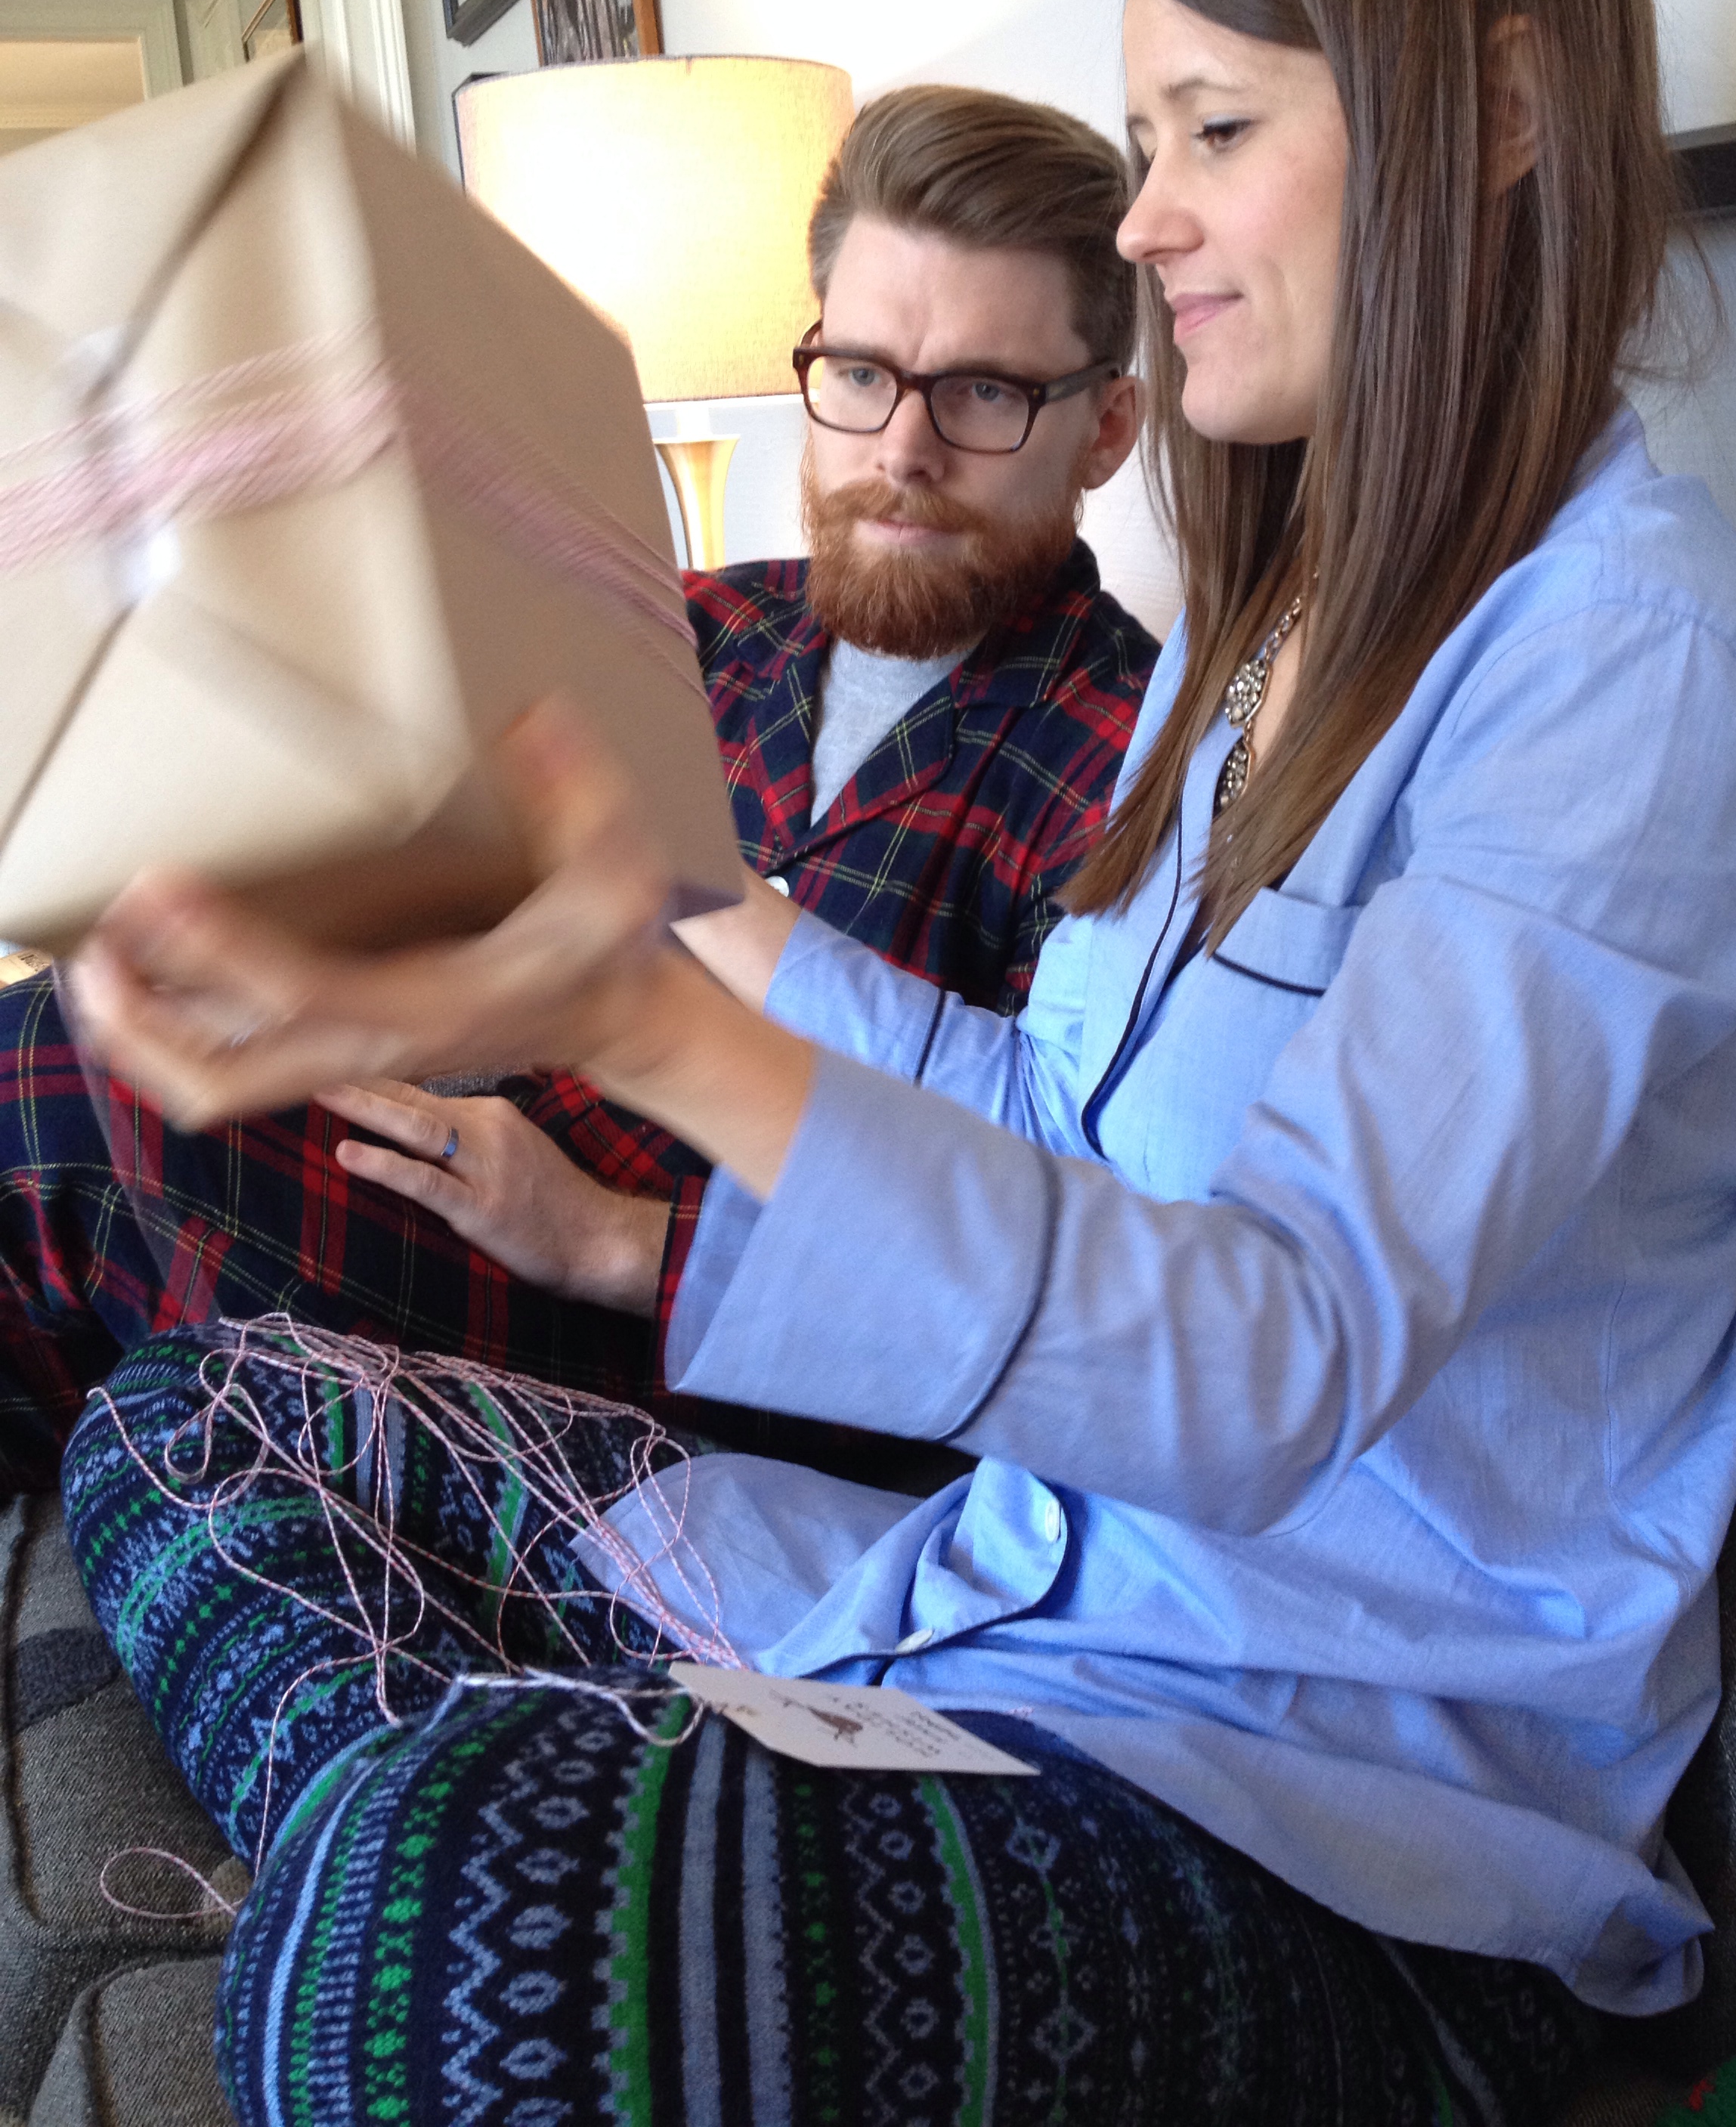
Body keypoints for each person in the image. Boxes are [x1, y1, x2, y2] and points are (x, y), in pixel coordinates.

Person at [61, 0, 1736, 2127]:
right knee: (192, 1422)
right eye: (1144, 139)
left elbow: (1279, 1357)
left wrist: (638, 1026)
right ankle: (460, 1823)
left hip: (1329, 1810)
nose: (1149, 215)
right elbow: (1049, 1116)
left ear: (1498, 117)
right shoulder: (1269, 637)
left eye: (1214, 132)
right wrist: (690, 902)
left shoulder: (1637, 680)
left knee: (427, 1961)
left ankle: (439, 1839)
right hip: (978, 1600)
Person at [0, 84, 1154, 1494]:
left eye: (982, 393)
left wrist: (613, 1239)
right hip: (473, 1151)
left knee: (87, 1102)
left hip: (706, 1338)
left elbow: (1070, 1281)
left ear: (1107, 428)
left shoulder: (1134, 765)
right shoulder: (693, 622)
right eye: (860, 374)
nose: (900, 451)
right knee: (69, 1039)